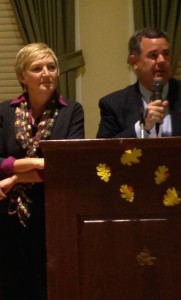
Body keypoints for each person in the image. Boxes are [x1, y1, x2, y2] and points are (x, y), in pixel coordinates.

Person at [0, 43, 84, 300]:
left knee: (50, 287)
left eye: (51, 67)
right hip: (9, 215)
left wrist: (12, 176)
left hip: (53, 211)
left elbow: (68, 166)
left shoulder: (71, 111)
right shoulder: (4, 111)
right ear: (22, 76)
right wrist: (37, 163)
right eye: (37, 68)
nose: (46, 73)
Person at [96, 27, 181, 138]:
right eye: (153, 55)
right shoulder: (114, 104)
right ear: (134, 62)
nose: (162, 60)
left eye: (166, 53)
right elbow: (103, 151)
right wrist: (143, 127)